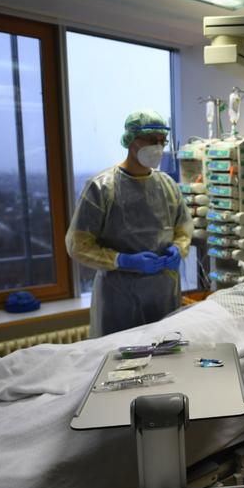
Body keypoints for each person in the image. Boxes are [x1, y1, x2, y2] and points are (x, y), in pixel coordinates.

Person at [66, 109, 192, 337]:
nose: (158, 147)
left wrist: (178, 248)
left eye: (162, 142)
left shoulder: (167, 186)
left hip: (163, 296)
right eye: (152, 140)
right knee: (119, 364)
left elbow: (183, 229)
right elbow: (78, 245)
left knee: (165, 358)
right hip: (118, 299)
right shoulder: (102, 188)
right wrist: (122, 260)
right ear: (130, 139)